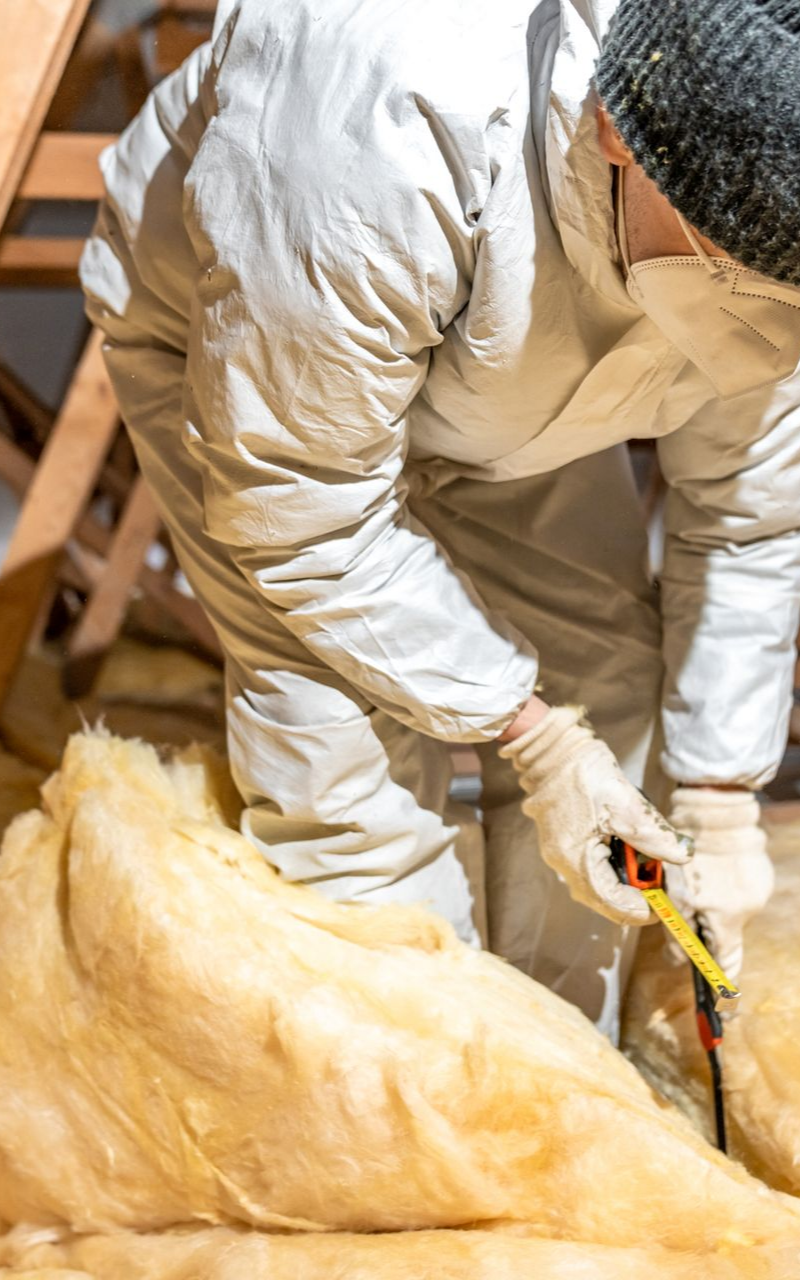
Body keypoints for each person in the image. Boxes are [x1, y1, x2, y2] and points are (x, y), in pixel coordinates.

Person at [80, 0, 800, 1041]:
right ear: (614, 126)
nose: (767, 319)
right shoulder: (383, 114)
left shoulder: (760, 210)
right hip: (268, 369)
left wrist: (719, 795)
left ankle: (566, 1084)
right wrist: (531, 737)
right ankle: (418, 1120)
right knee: (352, 772)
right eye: (739, 274)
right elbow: (307, 516)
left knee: (602, 674)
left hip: (503, 386)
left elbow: (742, 518)